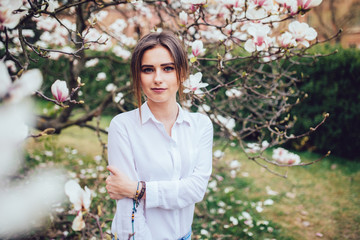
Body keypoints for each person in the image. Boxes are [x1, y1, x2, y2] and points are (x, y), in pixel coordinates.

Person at [106, 31, 213, 240]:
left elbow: (195, 190)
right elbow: (129, 208)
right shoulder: (123, 126)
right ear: (138, 76)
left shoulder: (200, 126)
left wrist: (137, 189)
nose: (157, 79)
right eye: (148, 70)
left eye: (167, 68)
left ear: (181, 73)